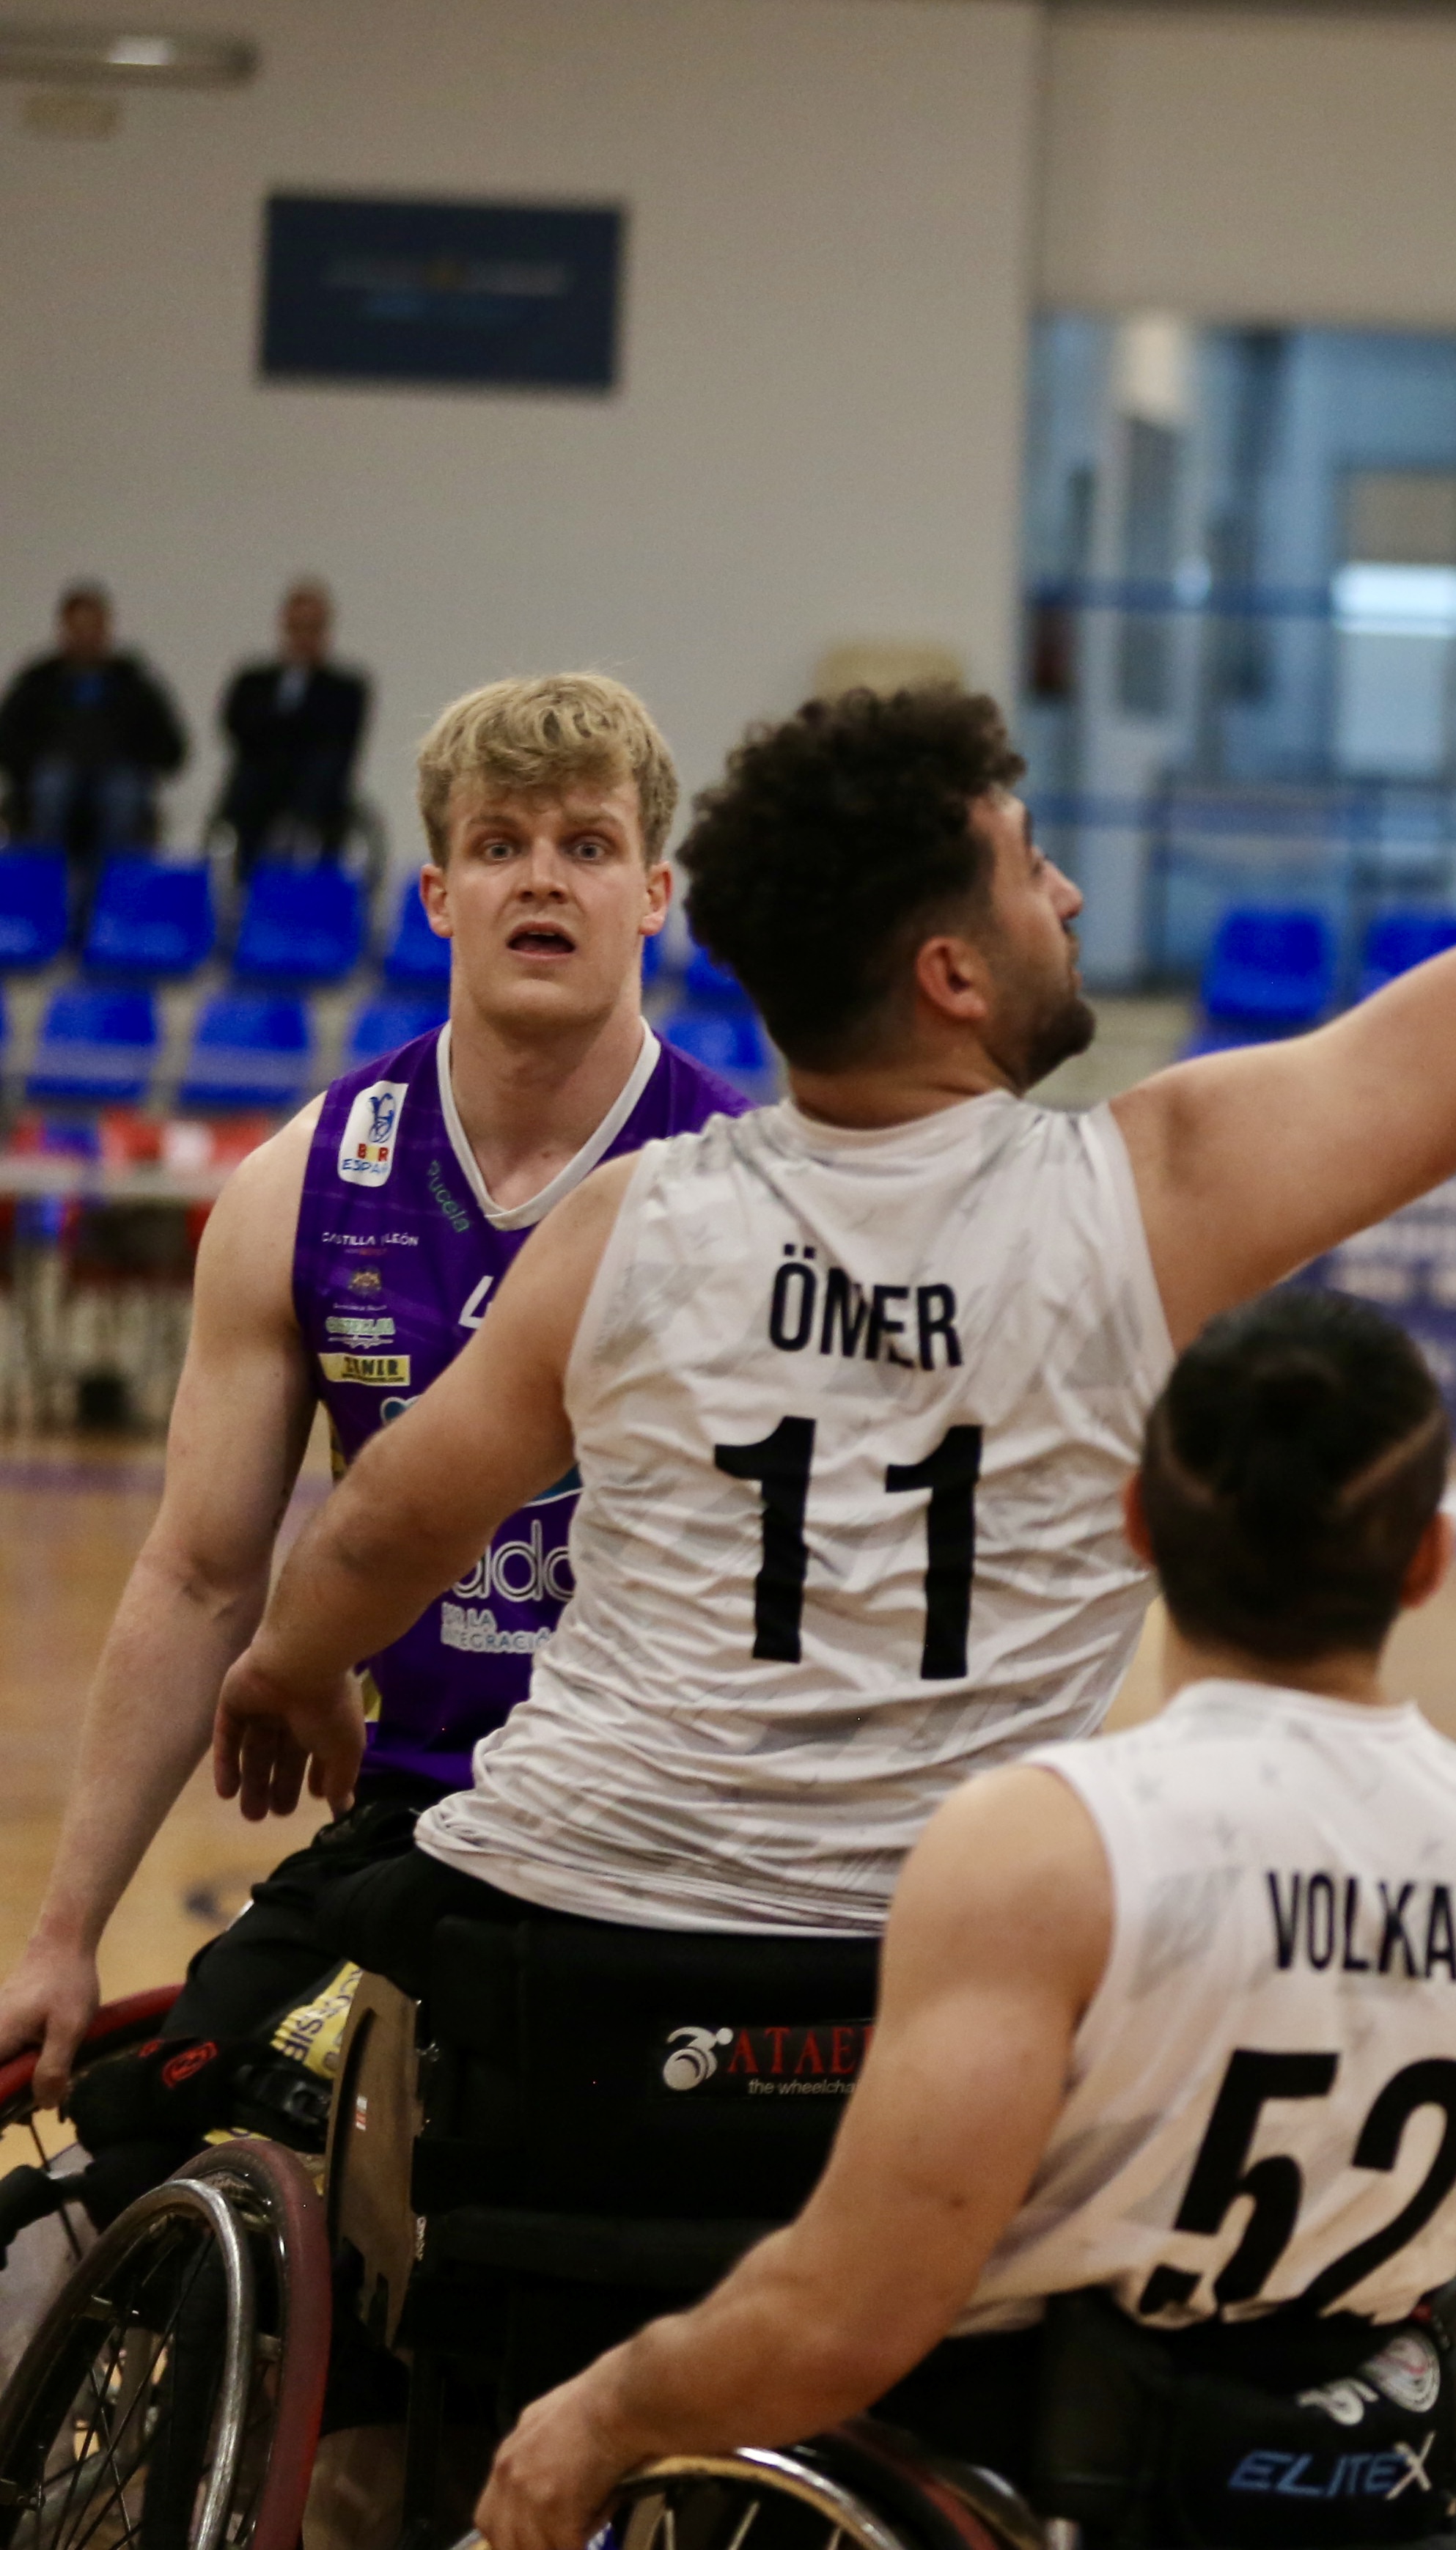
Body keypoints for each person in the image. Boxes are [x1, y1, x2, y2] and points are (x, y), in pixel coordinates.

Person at [206, 341, 1456, 1977]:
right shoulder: (1148, 1194)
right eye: (1036, 870)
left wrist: (291, 1670)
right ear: (951, 974)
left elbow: (382, 1526)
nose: (1075, 899)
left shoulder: (623, 1223)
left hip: (564, 1948)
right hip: (913, 1974)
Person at [467, 1291, 1456, 2550]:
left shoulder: (1046, 1841)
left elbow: (842, 2321)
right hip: (1358, 2501)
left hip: (1032, 2496)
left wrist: (600, 2409)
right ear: (1428, 1557)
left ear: (1136, 1524)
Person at [0, 674, 746, 2225]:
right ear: (437, 894)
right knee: (105, 2199)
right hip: (413, 1817)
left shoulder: (741, 1187)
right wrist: (64, 1930)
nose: (542, 875)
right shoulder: (303, 1182)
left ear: (654, 895)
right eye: (500, 842)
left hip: (673, 1842)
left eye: (589, 844)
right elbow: (202, 1573)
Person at [0, 581, 188, 922]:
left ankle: (106, 910)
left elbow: (171, 748)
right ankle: (44, 905)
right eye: (77, 629)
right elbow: (9, 740)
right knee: (52, 786)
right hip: (50, 780)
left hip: (118, 779)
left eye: (93, 629)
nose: (85, 638)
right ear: (64, 631)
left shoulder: (133, 683)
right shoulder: (38, 682)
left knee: (121, 795)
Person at [216, 577, 372, 867]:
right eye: (296, 628)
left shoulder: (346, 687)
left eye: (312, 629)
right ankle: (237, 881)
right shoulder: (254, 682)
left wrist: (284, 728)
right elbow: (237, 729)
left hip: (316, 793)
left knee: (319, 778)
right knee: (245, 788)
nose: (303, 639)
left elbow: (338, 738)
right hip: (260, 785)